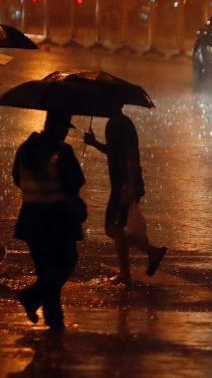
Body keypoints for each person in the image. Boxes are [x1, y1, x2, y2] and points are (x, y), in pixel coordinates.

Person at [13, 110, 85, 331]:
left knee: (45, 268)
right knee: (65, 262)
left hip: (31, 219)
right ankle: (33, 297)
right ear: (59, 128)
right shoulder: (62, 151)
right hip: (57, 218)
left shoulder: (26, 148)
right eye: (64, 128)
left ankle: (53, 319)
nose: (65, 133)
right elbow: (75, 182)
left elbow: (16, 177)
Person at [84, 104, 166, 288]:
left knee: (113, 228)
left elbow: (130, 156)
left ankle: (128, 271)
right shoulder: (115, 123)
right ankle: (149, 254)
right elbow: (114, 151)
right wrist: (95, 143)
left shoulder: (120, 124)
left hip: (124, 185)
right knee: (119, 228)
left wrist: (130, 184)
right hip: (122, 184)